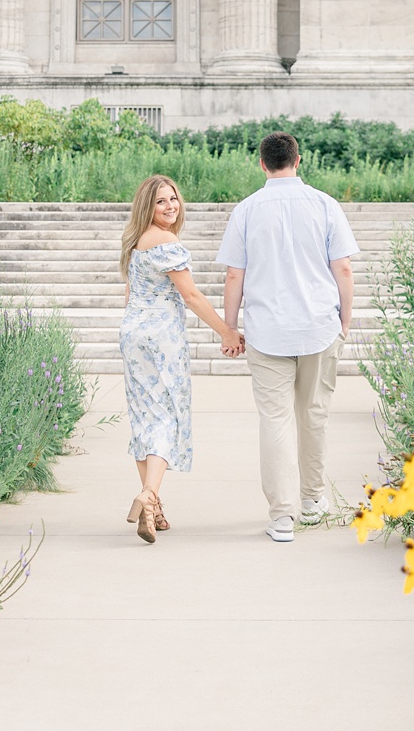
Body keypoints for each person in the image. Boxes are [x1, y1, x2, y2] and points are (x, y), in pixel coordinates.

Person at [217, 132, 360, 542]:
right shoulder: (325, 205)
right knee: (314, 415)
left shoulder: (246, 210)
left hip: (267, 331)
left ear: (261, 163)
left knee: (275, 421)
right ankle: (313, 501)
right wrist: (344, 321)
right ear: (299, 160)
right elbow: (344, 269)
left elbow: (233, 275)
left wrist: (230, 327)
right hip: (319, 325)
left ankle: (282, 516)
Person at [119, 174, 244, 544]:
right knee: (166, 417)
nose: (170, 206)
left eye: (173, 198)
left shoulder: (135, 242)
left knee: (144, 416)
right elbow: (190, 295)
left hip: (132, 335)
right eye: (160, 201)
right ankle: (148, 495)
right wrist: (226, 330)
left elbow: (130, 294)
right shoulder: (167, 242)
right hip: (161, 339)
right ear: (147, 206)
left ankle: (154, 510)